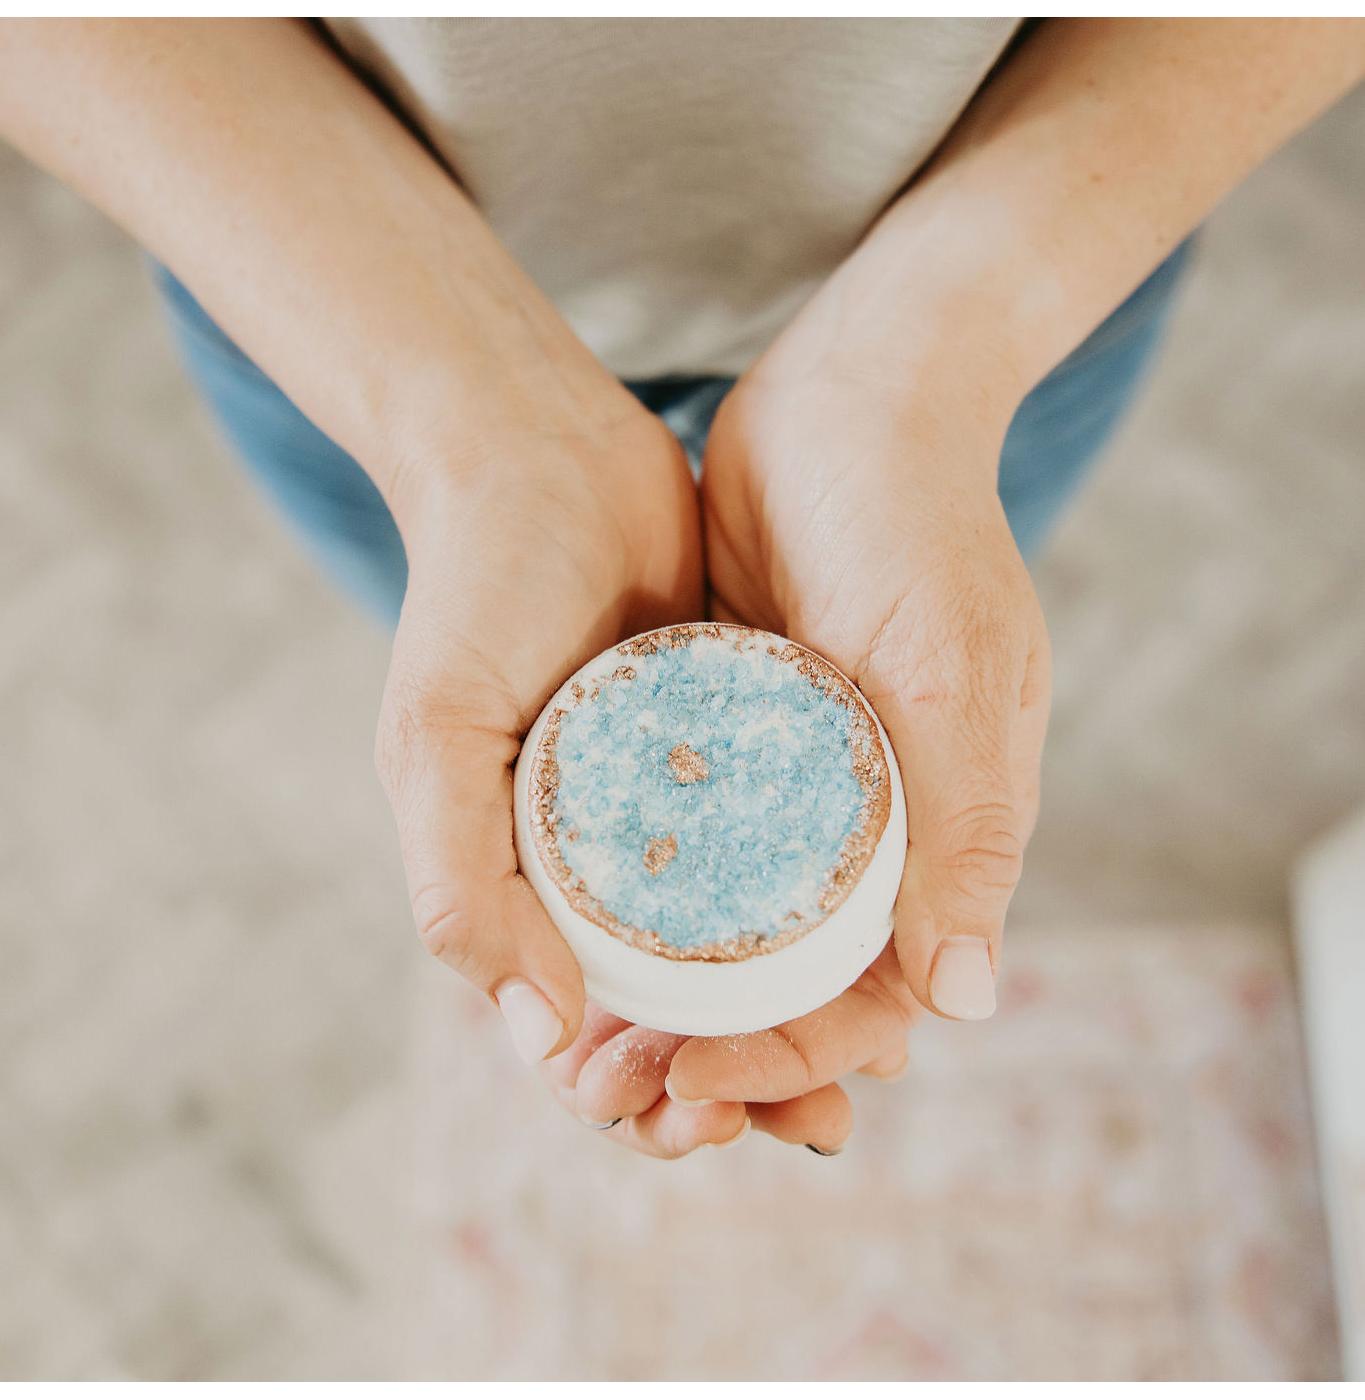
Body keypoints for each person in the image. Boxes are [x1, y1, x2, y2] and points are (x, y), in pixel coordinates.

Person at [3, 19, 1360, 1159]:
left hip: (1016, 271)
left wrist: (927, 352)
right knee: (467, 652)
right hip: (326, 275)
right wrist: (455, 403)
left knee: (916, 674)